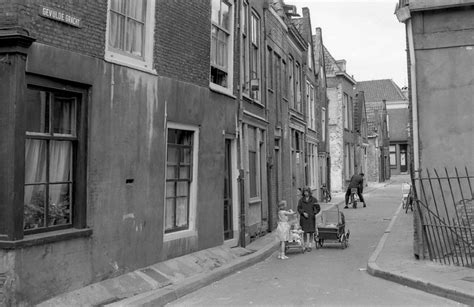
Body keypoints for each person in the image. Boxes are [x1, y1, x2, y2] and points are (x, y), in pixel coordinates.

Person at [297, 187, 321, 251]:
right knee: (304, 232)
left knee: (311, 232)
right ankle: (305, 245)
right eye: (304, 192)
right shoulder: (301, 200)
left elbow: (318, 208)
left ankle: (310, 245)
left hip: (311, 218)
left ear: (309, 192)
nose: (306, 193)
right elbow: (299, 208)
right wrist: (303, 213)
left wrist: (314, 213)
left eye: (307, 192)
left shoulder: (314, 200)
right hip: (304, 218)